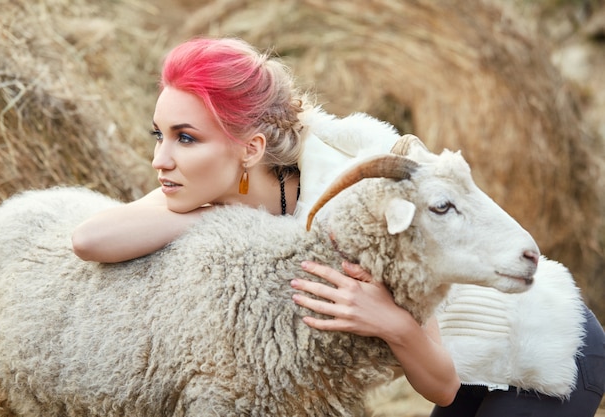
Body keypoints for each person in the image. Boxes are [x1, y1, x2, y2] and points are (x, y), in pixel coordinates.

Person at [72, 36, 605, 416]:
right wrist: (218, 225)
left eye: (184, 137)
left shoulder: (359, 199)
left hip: (539, 349)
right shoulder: (203, 186)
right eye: (157, 134)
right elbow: (90, 239)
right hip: (458, 367)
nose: (160, 159)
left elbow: (439, 385)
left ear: (250, 148)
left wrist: (391, 321)